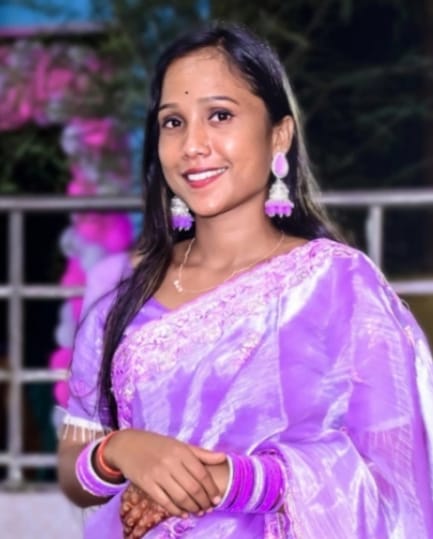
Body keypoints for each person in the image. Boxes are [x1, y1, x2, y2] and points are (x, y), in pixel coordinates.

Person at [57, 22, 433, 539]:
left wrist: (236, 482)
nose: (193, 145)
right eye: (173, 122)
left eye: (220, 115)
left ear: (279, 134)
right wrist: (118, 451)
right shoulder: (120, 290)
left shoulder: (337, 285)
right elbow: (74, 472)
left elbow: (397, 472)